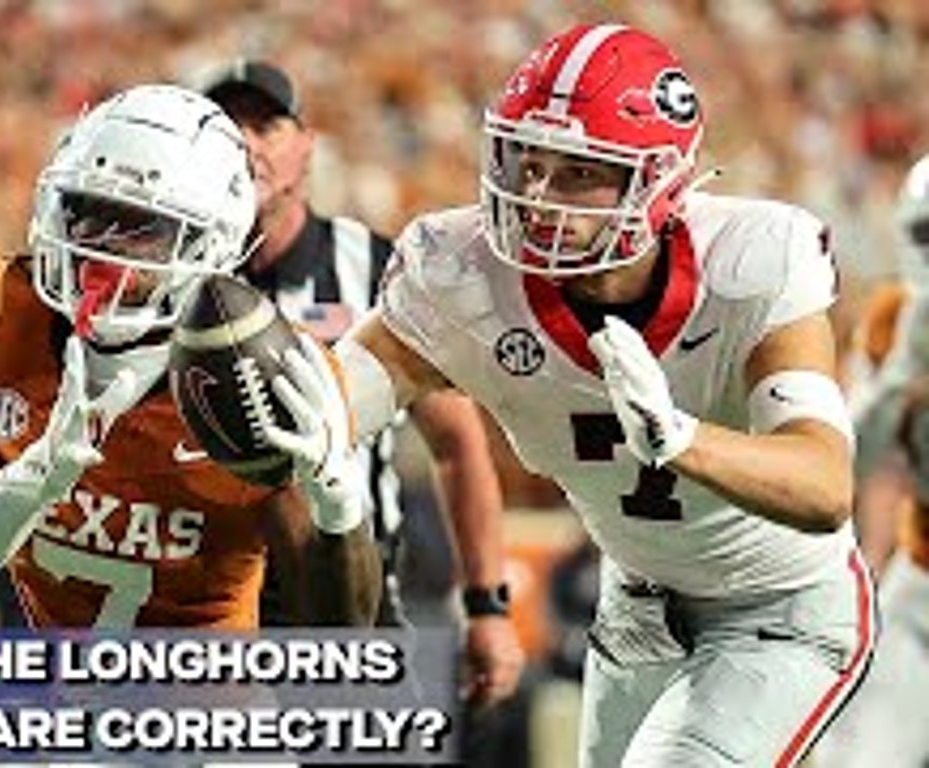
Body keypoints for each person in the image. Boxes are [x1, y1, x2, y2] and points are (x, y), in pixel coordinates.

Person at [267, 23, 875, 766]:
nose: (539, 196)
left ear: (661, 182)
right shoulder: (461, 273)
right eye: (529, 160)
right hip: (635, 606)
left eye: (581, 171)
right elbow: (324, 405)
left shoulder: (752, 262)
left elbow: (823, 485)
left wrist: (683, 440)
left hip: (779, 608)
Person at [0, 83, 379, 629]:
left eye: (141, 226)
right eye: (89, 210)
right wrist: (33, 481)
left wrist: (338, 504)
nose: (100, 246)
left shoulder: (264, 377)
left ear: (212, 244)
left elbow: (341, 640)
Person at [201, 59, 523, 707]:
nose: (245, 143)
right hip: (207, 613)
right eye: (226, 126)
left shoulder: (376, 269)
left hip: (353, 599)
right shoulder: (172, 269)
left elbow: (458, 444)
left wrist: (486, 603)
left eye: (266, 124)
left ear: (307, 144)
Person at [813, 155, 929, 768]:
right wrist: (899, 379)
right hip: (921, 571)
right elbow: (844, 466)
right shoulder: (895, 320)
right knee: (866, 753)